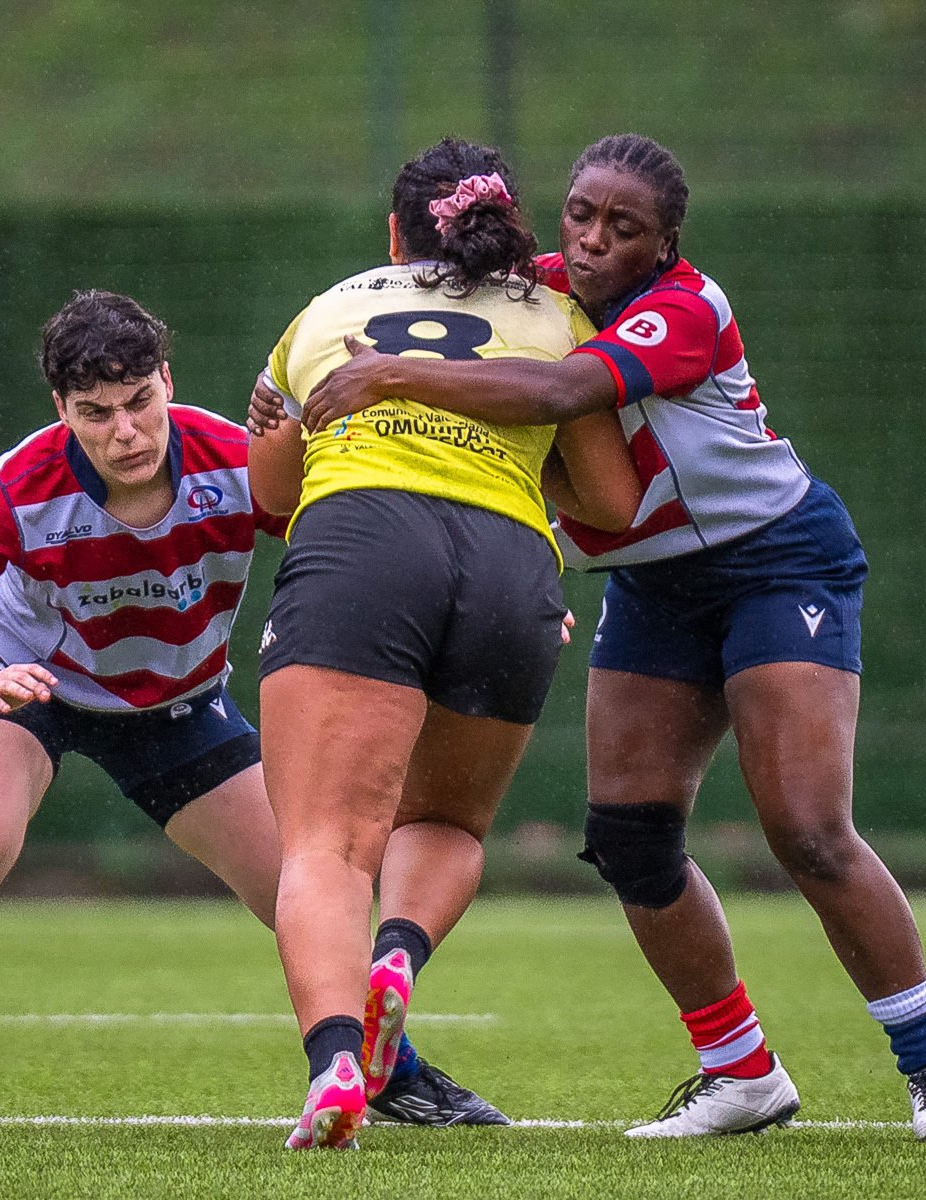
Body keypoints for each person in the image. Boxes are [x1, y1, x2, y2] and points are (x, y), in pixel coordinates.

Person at [295, 134, 926, 1143]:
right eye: (579, 213)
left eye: (623, 229)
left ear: (665, 246)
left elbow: (559, 395)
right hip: (652, 584)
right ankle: (740, 1072)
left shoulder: (686, 308)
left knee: (806, 827)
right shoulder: (533, 285)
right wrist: (285, 393)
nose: (591, 241)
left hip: (775, 561)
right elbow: (408, 311)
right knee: (627, 839)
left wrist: (392, 377)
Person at [0, 290, 490, 1130]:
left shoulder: (236, 463)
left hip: (177, 701)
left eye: (140, 403)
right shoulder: (19, 487)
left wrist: (485, 600)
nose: (125, 432)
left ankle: (388, 1068)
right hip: (23, 682)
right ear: (62, 410)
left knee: (306, 886)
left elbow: (366, 546)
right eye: (96, 413)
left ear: (167, 381)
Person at [246, 138, 636, 1150]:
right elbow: (613, 501)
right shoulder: (561, 319)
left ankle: (337, 1063)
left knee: (326, 845)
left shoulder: (326, 312)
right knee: (450, 826)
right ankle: (400, 953)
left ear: (394, 232)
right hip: (511, 567)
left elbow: (271, 499)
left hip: (364, 542)